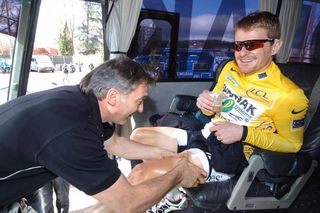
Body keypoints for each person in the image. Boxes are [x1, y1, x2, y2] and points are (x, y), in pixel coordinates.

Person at [127, 11, 309, 212]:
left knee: (141, 175)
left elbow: (293, 144)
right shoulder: (230, 68)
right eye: (238, 45)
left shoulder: (289, 95)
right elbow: (218, 105)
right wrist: (207, 104)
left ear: (275, 45)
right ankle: (173, 197)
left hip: (229, 154)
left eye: (253, 44)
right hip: (206, 133)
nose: (242, 53)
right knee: (137, 138)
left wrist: (243, 132)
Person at [0, 55, 207, 213]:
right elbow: (128, 203)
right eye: (139, 100)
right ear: (113, 97)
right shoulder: (74, 132)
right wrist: (178, 173)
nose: (142, 109)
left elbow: (115, 143)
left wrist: (164, 155)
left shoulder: (82, 102)